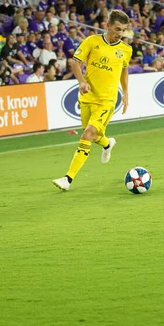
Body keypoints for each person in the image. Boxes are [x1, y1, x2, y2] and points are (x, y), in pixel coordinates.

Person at [52, 10, 132, 191]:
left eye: (123, 30)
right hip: (87, 98)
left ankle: (68, 179)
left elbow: (124, 70)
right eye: (117, 29)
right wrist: (81, 82)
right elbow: (75, 62)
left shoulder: (126, 49)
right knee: (93, 136)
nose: (120, 33)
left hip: (107, 101)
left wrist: (126, 92)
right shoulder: (92, 41)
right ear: (108, 26)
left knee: (87, 134)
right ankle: (107, 143)